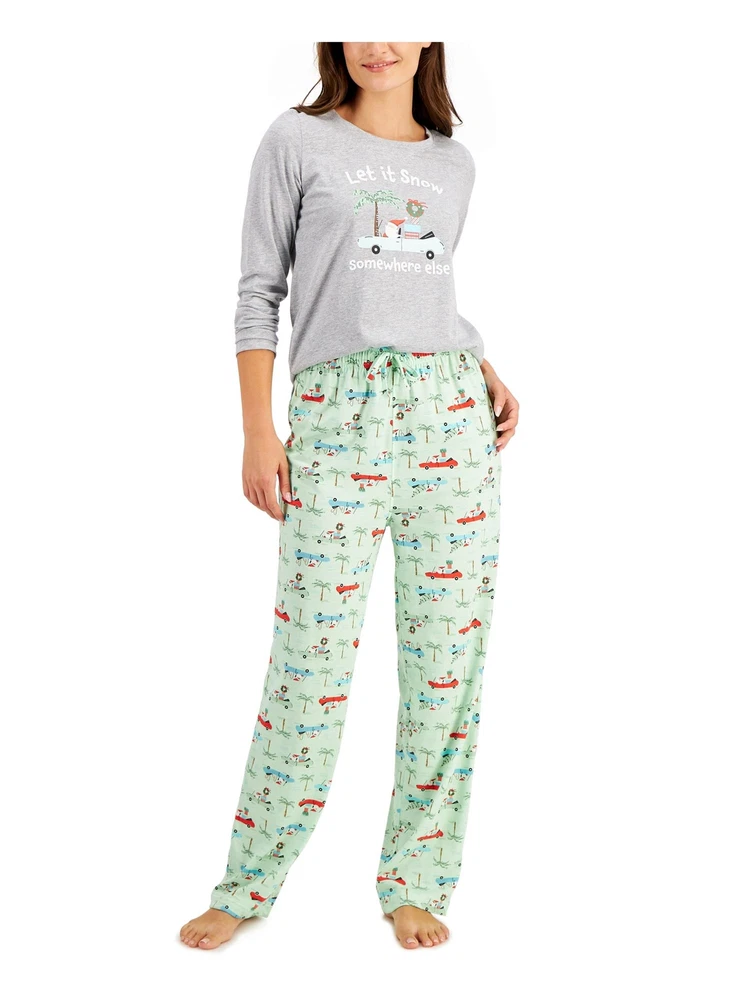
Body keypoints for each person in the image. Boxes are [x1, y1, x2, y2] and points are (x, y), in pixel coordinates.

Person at [180, 41, 519, 952]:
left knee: (448, 659)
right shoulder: (296, 141)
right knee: (310, 662)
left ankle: (417, 880)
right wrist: (258, 431)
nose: (378, 43)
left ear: (428, 36)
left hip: (452, 418)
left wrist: (479, 364)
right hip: (337, 418)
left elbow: (419, 288)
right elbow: (261, 292)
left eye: (398, 22)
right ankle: (249, 883)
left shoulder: (454, 163)